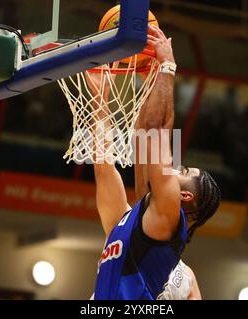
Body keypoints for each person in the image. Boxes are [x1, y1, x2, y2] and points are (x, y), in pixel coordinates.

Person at [89, 25, 221, 300]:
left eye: (182, 171)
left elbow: (155, 132)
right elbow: (107, 163)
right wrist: (100, 101)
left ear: (183, 195)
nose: (176, 167)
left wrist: (168, 66)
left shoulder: (169, 218)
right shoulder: (130, 221)